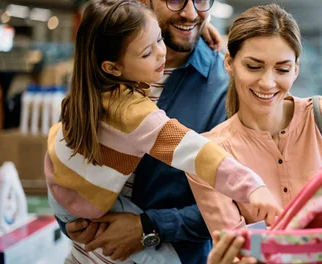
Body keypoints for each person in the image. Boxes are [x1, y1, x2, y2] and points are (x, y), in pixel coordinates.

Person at [50, 0, 279, 263]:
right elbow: (67, 152)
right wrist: (69, 216)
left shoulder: (226, 86)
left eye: (202, 0)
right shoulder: (102, 69)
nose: (191, 12)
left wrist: (150, 227)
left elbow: (239, 205)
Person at [186, 4, 322, 262]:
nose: (268, 82)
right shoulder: (210, 155)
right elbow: (238, 249)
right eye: (254, 66)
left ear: (296, 68)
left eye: (282, 69)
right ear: (229, 63)